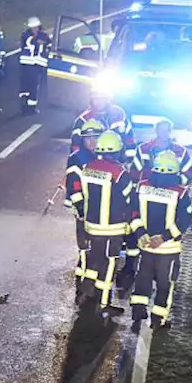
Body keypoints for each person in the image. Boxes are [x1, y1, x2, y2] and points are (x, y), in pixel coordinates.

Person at [129, 150, 192, 329]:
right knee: (165, 284)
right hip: (168, 250)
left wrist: (141, 233)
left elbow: (133, 212)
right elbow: (185, 220)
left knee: (143, 278)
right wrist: (164, 237)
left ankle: (138, 310)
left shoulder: (142, 187)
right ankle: (158, 319)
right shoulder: (180, 193)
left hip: (145, 246)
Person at [77, 131, 136, 314]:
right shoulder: (119, 173)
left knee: (93, 261)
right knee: (109, 264)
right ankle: (104, 303)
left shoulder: (87, 167)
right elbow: (130, 199)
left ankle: (85, 292)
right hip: (112, 228)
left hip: (91, 225)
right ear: (117, 150)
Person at [67, 119, 106, 302]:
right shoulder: (77, 158)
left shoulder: (104, 157)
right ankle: (82, 285)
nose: (92, 142)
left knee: (97, 249)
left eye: (96, 138)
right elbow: (73, 187)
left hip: (101, 213)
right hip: (85, 213)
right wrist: (82, 210)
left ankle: (88, 283)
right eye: (88, 138)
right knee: (85, 247)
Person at [132, 119, 192, 185]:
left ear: (170, 131)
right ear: (156, 130)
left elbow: (189, 172)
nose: (165, 132)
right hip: (147, 188)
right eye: (162, 130)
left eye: (167, 130)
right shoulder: (143, 149)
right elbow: (134, 171)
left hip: (171, 190)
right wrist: (138, 187)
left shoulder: (180, 151)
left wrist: (177, 181)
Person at [71, 90, 132, 155]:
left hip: (117, 159)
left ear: (107, 99)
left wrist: (129, 160)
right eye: (96, 99)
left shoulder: (119, 114)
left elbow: (130, 139)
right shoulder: (83, 120)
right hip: (93, 160)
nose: (99, 102)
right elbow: (75, 145)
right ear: (91, 100)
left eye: (102, 98)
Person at [18, 17, 52, 114]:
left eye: (36, 27)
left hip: (38, 64)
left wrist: (45, 43)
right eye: (33, 27)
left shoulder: (43, 35)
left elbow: (49, 43)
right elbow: (29, 41)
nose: (35, 29)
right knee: (25, 85)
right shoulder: (25, 35)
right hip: (26, 64)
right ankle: (24, 105)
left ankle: (32, 107)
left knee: (34, 85)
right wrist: (38, 41)